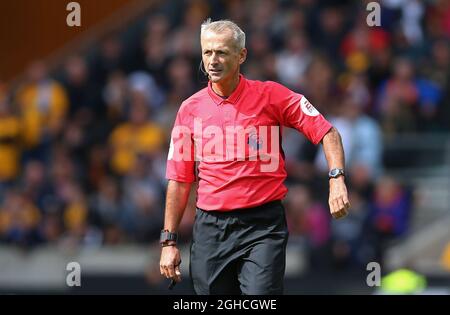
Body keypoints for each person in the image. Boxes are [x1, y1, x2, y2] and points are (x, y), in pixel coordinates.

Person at [159, 19, 350, 295]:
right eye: (207, 52)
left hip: (262, 227)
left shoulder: (272, 96)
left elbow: (327, 132)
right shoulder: (189, 109)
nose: (213, 60)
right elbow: (178, 180)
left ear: (242, 55)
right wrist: (169, 242)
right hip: (210, 230)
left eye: (222, 52)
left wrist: (336, 179)